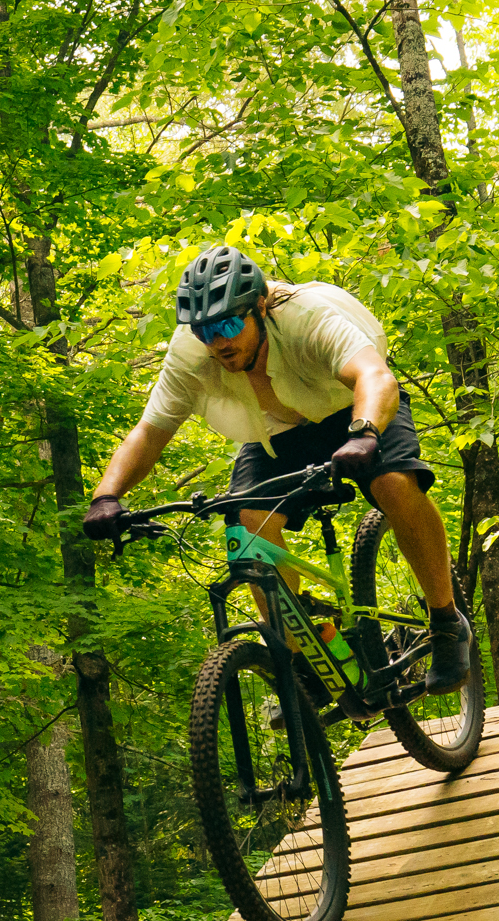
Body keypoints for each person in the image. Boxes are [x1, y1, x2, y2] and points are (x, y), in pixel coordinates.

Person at [81, 244, 475, 688]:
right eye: (207, 331)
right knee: (246, 525)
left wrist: (364, 432)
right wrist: (106, 496)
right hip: (276, 432)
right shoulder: (192, 354)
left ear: (261, 306)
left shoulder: (306, 317)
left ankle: (446, 622)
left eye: (230, 324)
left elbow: (374, 376)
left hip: (356, 408)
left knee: (394, 485)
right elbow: (150, 431)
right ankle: (307, 657)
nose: (220, 342)